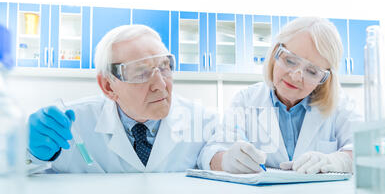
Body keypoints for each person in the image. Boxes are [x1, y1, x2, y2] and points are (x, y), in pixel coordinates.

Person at [27, 25, 218, 173]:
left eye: (164, 67)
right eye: (141, 72)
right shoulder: (70, 126)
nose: (160, 84)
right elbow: (13, 173)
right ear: (108, 86)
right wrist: (30, 153)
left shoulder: (204, 122)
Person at [199, 17, 362, 174]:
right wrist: (227, 160)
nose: (296, 76)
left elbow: (368, 149)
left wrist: (341, 161)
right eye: (290, 61)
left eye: (312, 71)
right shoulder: (245, 100)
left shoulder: (341, 105)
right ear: (275, 53)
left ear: (325, 77)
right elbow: (210, 153)